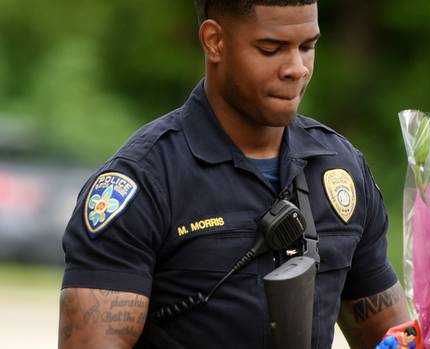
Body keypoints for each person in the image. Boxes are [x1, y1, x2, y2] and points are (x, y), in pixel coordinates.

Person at [58, 1, 410, 348]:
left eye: (308, 47)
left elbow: (393, 338)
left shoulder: (341, 170)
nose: (297, 68)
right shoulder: (142, 183)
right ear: (215, 41)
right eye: (271, 49)